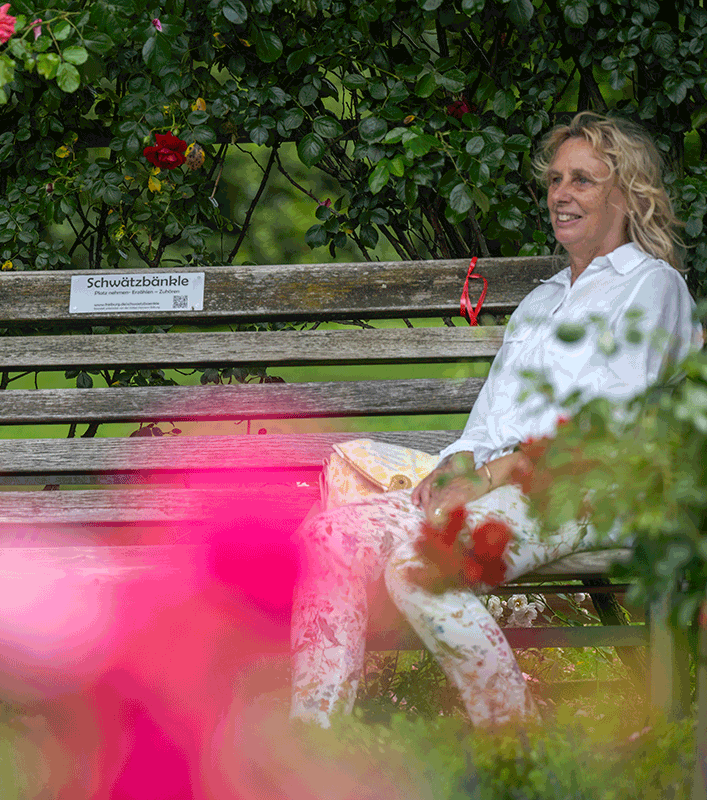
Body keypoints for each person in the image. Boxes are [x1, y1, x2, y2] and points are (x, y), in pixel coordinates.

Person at [290, 111, 701, 727]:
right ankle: (314, 744)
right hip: (499, 483)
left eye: (582, 180)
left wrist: (497, 472)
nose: (561, 194)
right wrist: (459, 461)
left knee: (422, 570)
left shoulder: (652, 286)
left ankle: (515, 744)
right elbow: (488, 420)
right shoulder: (542, 300)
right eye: (556, 179)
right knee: (327, 537)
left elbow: (607, 425)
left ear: (625, 193)